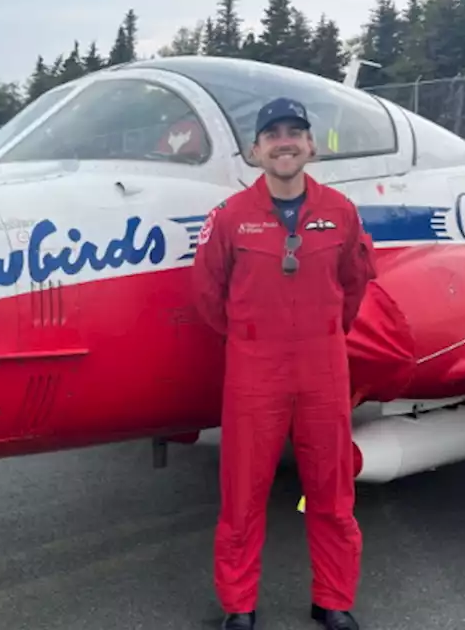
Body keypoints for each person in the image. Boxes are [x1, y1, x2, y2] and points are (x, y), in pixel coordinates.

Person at [191, 97, 377, 630]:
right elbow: (207, 293)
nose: (285, 141)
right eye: (273, 134)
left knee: (332, 492)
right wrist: (253, 339)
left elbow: (354, 283)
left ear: (311, 146)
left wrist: (320, 335)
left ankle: (333, 599)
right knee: (243, 494)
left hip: (323, 367)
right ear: (256, 150)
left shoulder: (340, 212)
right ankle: (240, 606)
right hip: (255, 371)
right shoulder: (229, 218)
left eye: (295, 131)